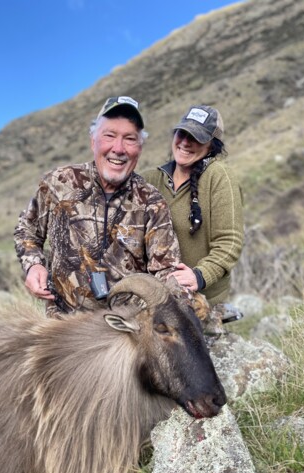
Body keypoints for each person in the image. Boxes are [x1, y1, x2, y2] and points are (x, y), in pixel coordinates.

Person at [14, 96, 182, 317]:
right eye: (109, 136)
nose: (118, 148)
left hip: (125, 329)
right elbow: (27, 230)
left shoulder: (152, 202)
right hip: (62, 324)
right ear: (93, 140)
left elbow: (166, 270)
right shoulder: (59, 182)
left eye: (130, 139)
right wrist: (34, 265)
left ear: (140, 148)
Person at [140, 105, 244, 306]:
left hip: (201, 300)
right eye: (182, 133)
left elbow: (229, 241)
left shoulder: (219, 177)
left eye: (195, 137)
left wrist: (199, 275)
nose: (185, 142)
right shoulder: (150, 179)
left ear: (211, 146)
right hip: (155, 297)